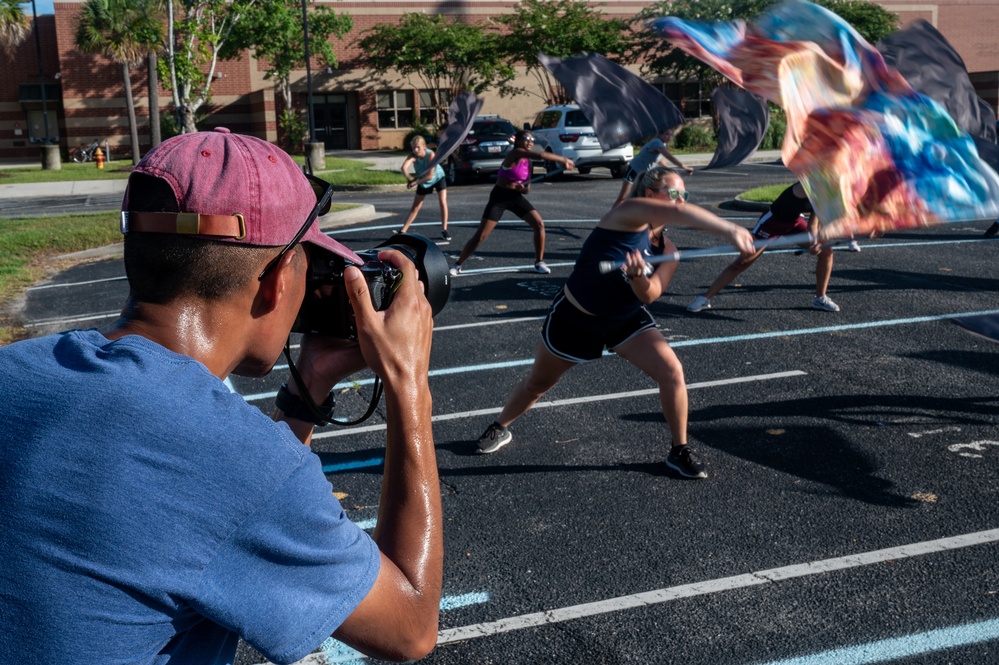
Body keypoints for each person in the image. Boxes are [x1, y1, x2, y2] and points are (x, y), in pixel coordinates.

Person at [0, 128, 443, 665]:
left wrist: (313, 379)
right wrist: (407, 384)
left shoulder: (16, 369)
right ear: (278, 280)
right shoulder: (237, 462)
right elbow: (410, 627)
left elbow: (226, 506)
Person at [472, 166, 755, 478]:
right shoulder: (627, 214)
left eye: (684, 196)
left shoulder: (668, 251)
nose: (681, 201)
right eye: (674, 194)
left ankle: (679, 449)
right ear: (650, 194)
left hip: (624, 319)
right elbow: (682, 214)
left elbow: (650, 295)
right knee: (538, 383)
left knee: (672, 371)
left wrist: (637, 279)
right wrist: (729, 229)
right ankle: (500, 426)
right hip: (576, 319)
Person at [686, 181, 842, 313]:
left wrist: (815, 243)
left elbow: (813, 226)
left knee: (826, 251)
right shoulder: (811, 183)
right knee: (743, 261)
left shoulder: (827, 191)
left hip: (794, 223)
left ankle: (820, 298)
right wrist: (814, 242)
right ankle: (705, 298)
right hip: (772, 222)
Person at [449, 129, 575, 276]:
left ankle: (539, 262)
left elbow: (527, 189)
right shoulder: (515, 154)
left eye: (532, 140)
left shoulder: (528, 163)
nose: (530, 142)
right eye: (526, 138)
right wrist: (563, 160)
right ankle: (457, 264)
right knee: (481, 236)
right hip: (500, 197)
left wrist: (522, 188)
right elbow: (539, 156)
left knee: (539, 224)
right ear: (518, 140)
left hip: (515, 198)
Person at [612, 128, 693, 208]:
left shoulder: (662, 144)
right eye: (666, 134)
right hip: (634, 170)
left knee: (640, 197)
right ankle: (611, 218)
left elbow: (659, 159)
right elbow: (669, 156)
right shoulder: (657, 143)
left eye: (670, 135)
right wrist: (684, 167)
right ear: (660, 134)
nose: (669, 137)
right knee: (623, 197)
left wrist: (669, 171)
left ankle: (636, 217)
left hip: (643, 174)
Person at [398, 135, 450, 242]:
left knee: (442, 202)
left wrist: (415, 182)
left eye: (418, 147)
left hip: (438, 177)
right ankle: (403, 230)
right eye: (413, 148)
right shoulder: (413, 156)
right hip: (423, 181)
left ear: (424, 146)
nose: (415, 150)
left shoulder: (430, 154)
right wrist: (409, 178)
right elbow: (403, 167)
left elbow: (430, 175)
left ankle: (444, 230)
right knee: (416, 206)